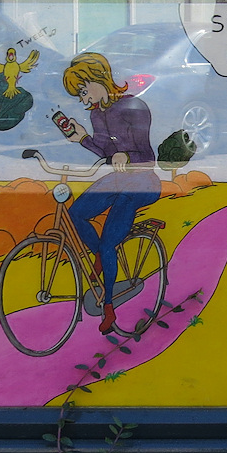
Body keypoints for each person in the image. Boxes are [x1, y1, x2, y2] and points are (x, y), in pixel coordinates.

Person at [62, 52, 161, 334]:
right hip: (119, 180)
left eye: (83, 91)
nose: (83, 100)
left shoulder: (133, 107)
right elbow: (106, 153)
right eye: (79, 95)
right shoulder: (96, 114)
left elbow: (148, 158)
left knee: (108, 241)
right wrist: (82, 138)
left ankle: (108, 306)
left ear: (97, 79)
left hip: (143, 182)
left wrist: (127, 157)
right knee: (75, 214)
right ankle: (102, 258)